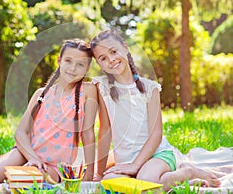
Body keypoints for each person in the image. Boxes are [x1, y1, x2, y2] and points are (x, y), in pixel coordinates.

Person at [0, 39, 98, 185]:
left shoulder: (88, 91)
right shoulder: (41, 94)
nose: (72, 68)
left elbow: (88, 134)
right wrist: (33, 158)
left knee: (26, 181)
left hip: (54, 166)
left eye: (80, 64)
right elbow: (21, 132)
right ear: (59, 61)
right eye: (68, 61)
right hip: (26, 152)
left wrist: (90, 174)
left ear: (87, 68)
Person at [90, 30, 223, 191]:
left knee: (146, 180)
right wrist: (99, 172)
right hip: (126, 161)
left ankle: (187, 172)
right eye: (103, 58)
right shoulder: (102, 88)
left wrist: (136, 165)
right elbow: (105, 130)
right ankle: (177, 184)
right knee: (110, 181)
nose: (111, 60)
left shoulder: (149, 88)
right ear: (98, 63)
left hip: (157, 155)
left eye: (113, 51)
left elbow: (156, 134)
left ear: (125, 48)